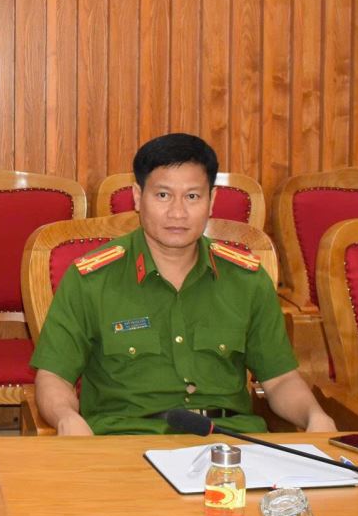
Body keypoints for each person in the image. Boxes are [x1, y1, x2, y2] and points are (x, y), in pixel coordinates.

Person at [31, 133, 336, 436]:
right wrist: (66, 418)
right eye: (163, 195)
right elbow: (54, 377)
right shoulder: (91, 280)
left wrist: (314, 416)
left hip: (229, 443)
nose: (177, 213)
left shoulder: (247, 280)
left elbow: (280, 380)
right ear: (138, 197)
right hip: (126, 442)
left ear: (211, 201)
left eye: (192, 197)